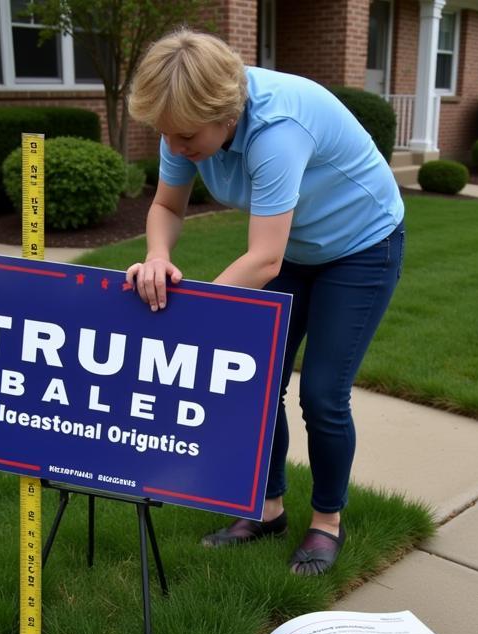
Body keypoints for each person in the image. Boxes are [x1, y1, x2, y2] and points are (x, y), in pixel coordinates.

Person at [126, 30, 405, 576]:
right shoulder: (181, 122)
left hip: (360, 247)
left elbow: (262, 261)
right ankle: (267, 510)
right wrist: (157, 255)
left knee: (323, 394)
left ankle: (326, 522)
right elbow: (166, 204)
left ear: (226, 112)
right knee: (258, 381)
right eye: (166, 135)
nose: (176, 146)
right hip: (291, 247)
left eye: (185, 136)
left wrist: (191, 311)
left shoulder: (277, 129)